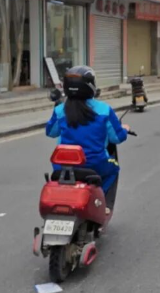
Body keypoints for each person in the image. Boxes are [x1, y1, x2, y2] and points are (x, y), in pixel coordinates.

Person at [45, 66, 129, 212]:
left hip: (62, 167)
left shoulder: (60, 110)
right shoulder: (104, 110)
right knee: (114, 168)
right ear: (91, 86)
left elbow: (51, 132)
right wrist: (125, 129)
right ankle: (102, 204)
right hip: (95, 165)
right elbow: (117, 137)